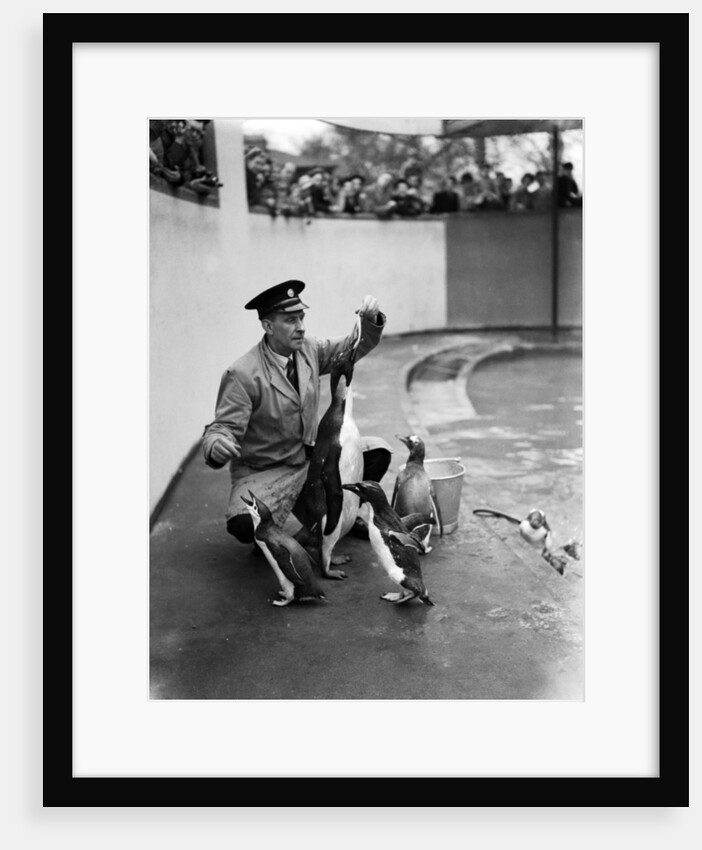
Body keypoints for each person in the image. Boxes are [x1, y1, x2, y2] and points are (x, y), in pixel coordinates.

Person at [202, 280, 392, 547]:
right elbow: (222, 428)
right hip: (266, 470)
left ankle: (342, 517)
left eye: (301, 317)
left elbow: (352, 347)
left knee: (377, 453)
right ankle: (275, 538)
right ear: (268, 326)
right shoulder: (242, 374)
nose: (301, 327)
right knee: (244, 524)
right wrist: (216, 445)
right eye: (290, 320)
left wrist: (369, 321)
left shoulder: (309, 349)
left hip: (311, 460)